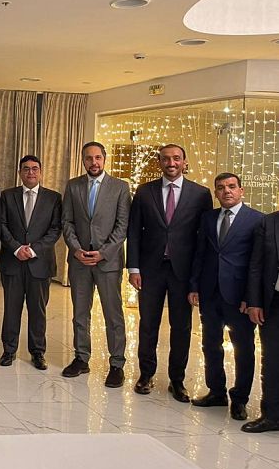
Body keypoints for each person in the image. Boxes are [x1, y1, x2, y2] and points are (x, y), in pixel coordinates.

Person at [128, 143, 212, 401]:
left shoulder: (201, 194)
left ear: (184, 162)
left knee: (182, 327)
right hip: (150, 270)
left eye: (176, 158)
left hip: (183, 273)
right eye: (166, 159)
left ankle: (177, 380)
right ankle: (146, 374)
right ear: (160, 163)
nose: (171, 163)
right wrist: (133, 267)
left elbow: (203, 239)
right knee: (148, 324)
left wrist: (197, 278)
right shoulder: (144, 191)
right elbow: (134, 231)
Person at [189, 173, 262, 421]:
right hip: (210, 293)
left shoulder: (256, 220)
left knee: (243, 348)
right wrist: (194, 286)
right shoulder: (208, 218)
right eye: (221, 188)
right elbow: (200, 253)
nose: (226, 191)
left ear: (241, 190)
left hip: (239, 297)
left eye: (231, 187)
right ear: (216, 193)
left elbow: (257, 263)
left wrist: (251, 298)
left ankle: (240, 399)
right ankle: (216, 392)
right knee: (211, 344)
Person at [61, 142, 131, 387]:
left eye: (98, 157)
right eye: (89, 158)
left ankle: (117, 364)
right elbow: (67, 222)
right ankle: (81, 358)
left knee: (113, 315)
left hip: (108, 262)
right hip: (80, 261)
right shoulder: (73, 186)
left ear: (104, 158)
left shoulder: (120, 187)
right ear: (83, 160)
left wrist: (103, 253)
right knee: (80, 313)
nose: (94, 162)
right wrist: (76, 249)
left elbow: (122, 226)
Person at [0, 155, 61, 369]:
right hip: (12, 262)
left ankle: (37, 353)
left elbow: (55, 229)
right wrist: (17, 248)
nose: (30, 172)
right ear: (20, 173)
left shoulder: (53, 198)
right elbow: (1, 225)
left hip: (40, 264)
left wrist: (33, 250)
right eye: (26, 169)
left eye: (35, 169)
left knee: (38, 311)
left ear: (40, 172)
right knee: (11, 309)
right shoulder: (7, 196)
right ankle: (9, 350)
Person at [242, 209, 279, 433]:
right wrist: (254, 301)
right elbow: (255, 265)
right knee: (272, 360)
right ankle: (271, 416)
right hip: (273, 303)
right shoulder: (268, 222)